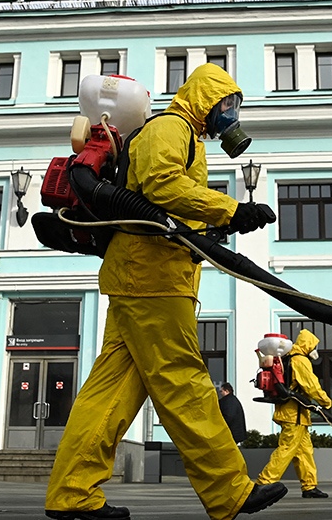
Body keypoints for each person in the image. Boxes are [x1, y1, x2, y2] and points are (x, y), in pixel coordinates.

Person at [44, 63, 282, 520]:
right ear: (205, 100)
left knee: (109, 394)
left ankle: (72, 494)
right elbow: (161, 185)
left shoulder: (182, 136)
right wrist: (229, 210)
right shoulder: (171, 127)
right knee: (183, 380)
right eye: (227, 104)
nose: (231, 115)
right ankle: (229, 491)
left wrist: (209, 231)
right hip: (152, 280)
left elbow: (168, 204)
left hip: (144, 276)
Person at [255, 329, 332, 499]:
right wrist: (326, 401)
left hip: (296, 414)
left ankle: (309, 487)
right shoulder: (300, 360)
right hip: (294, 415)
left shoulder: (288, 358)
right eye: (314, 346)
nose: (315, 349)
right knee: (286, 449)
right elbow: (311, 386)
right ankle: (264, 483)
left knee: (304, 451)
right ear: (308, 345)